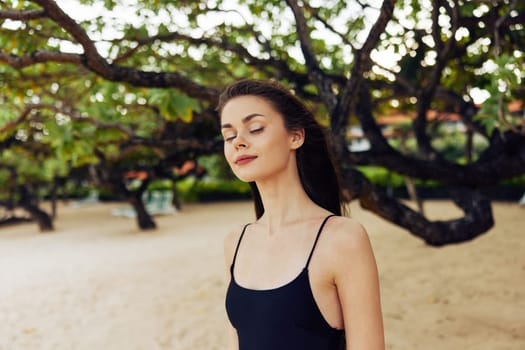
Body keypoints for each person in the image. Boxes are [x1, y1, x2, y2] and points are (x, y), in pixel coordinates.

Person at [217, 79, 384, 350]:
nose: (239, 142)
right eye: (229, 136)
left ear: (295, 136)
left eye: (255, 128)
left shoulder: (341, 238)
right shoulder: (236, 242)